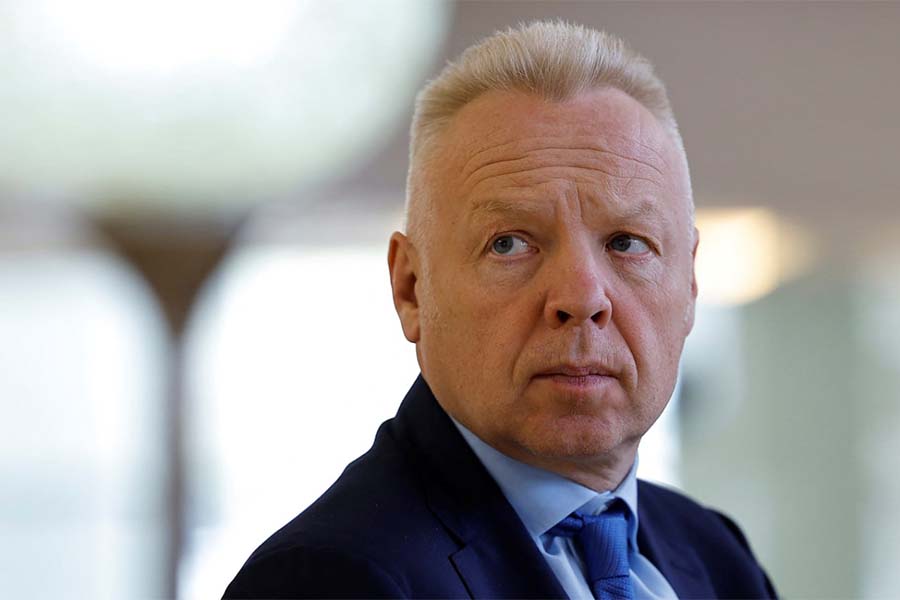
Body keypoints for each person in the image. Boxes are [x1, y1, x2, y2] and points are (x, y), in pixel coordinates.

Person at [224, 21, 777, 599]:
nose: (581, 299)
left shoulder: (717, 558)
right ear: (411, 288)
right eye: (509, 243)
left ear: (690, 284)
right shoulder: (328, 577)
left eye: (626, 243)